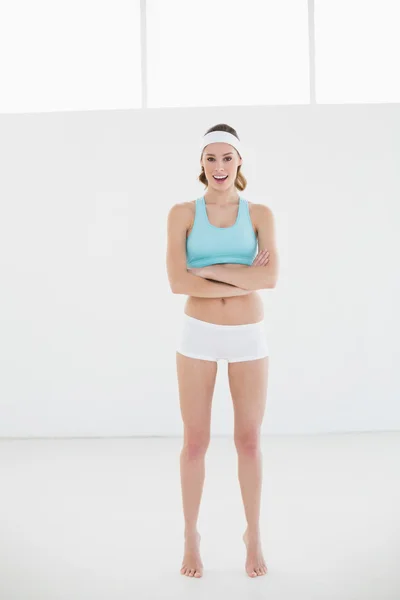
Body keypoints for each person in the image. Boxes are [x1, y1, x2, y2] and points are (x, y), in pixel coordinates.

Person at [166, 123, 279, 578]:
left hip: (248, 336)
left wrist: (207, 272)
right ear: (200, 163)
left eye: (226, 158)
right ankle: (190, 535)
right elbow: (177, 282)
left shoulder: (260, 214)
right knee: (195, 442)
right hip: (198, 333)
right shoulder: (182, 213)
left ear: (239, 162)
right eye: (210, 159)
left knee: (248, 441)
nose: (218, 167)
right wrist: (239, 272)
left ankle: (253, 534)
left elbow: (269, 279)